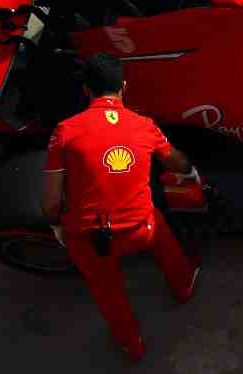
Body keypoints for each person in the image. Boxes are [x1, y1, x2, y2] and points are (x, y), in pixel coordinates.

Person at [41, 53, 201, 361]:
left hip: (92, 240)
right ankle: (183, 284)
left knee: (108, 292)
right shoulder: (145, 126)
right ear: (124, 86)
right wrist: (190, 172)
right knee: (155, 219)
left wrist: (57, 226)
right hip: (143, 230)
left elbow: (50, 201)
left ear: (85, 90)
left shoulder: (64, 131)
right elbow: (177, 161)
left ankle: (133, 345)